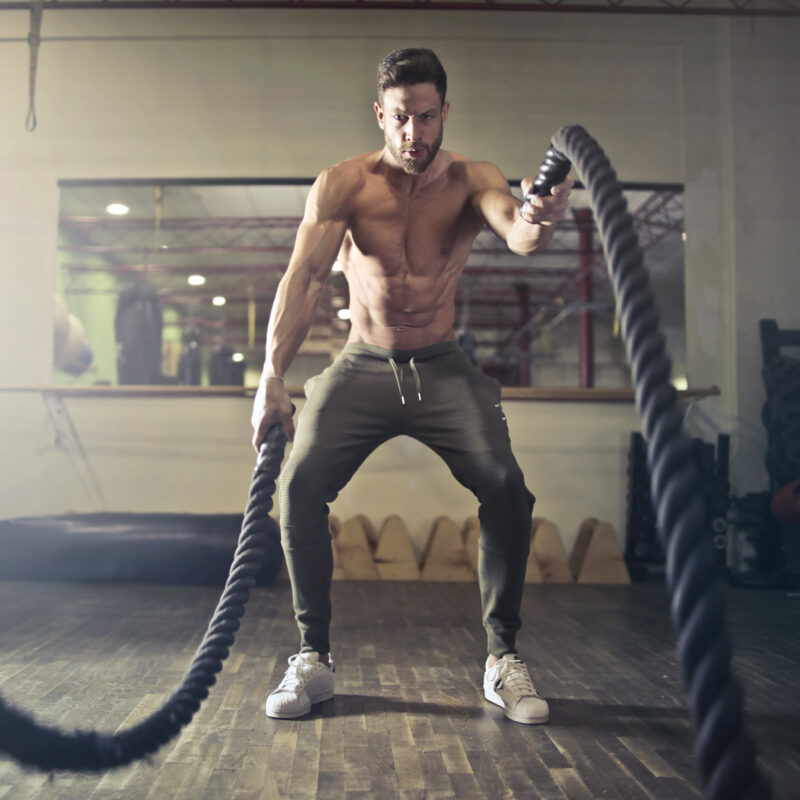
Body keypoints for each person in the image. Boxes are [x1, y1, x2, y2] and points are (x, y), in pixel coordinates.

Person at [251, 48, 573, 724]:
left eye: (426, 118)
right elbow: (305, 278)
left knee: (507, 487)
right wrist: (272, 376)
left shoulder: (470, 179)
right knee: (300, 487)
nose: (413, 134)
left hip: (443, 365)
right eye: (400, 118)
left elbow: (517, 231)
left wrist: (541, 218)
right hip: (362, 362)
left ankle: (501, 660)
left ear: (444, 112)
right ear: (380, 114)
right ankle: (314, 658)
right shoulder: (343, 184)